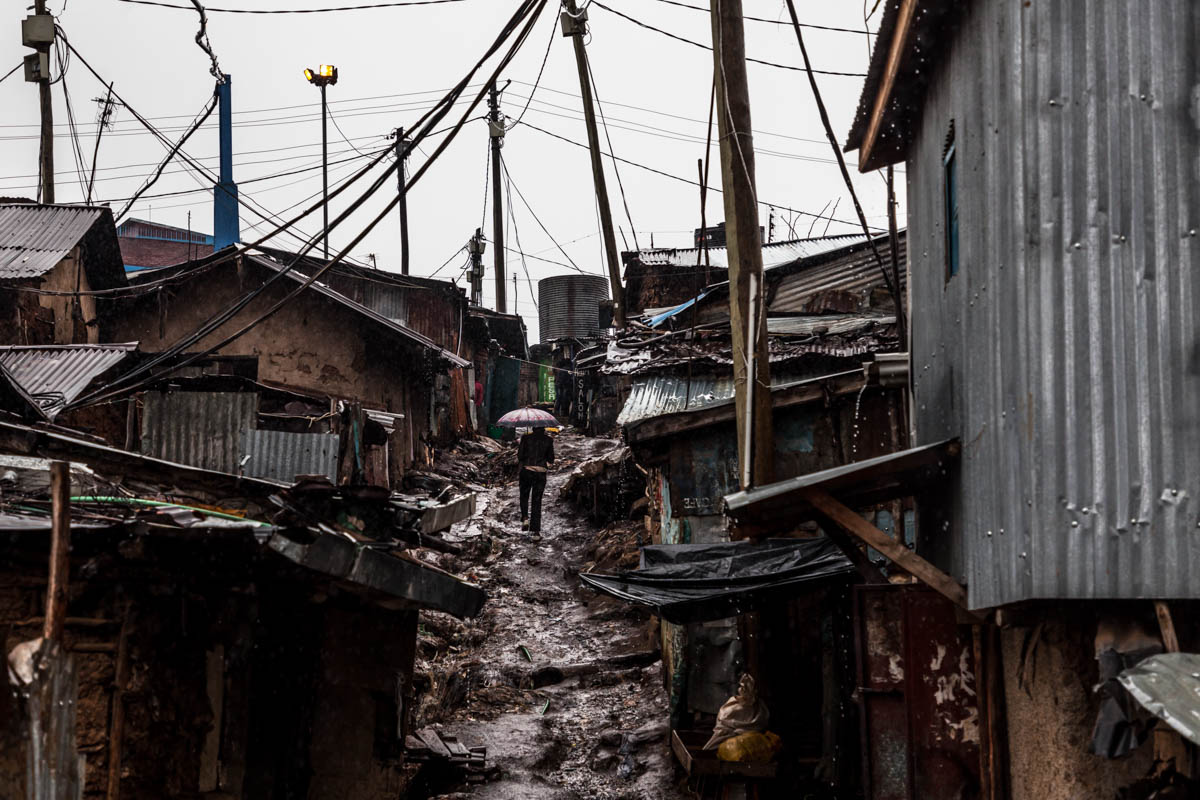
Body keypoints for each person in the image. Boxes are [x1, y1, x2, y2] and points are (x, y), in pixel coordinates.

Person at [517, 426, 554, 536]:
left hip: (527, 470)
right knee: (537, 501)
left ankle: (525, 518)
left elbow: (520, 456)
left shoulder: (525, 438)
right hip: (541, 472)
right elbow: (551, 459)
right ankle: (536, 532)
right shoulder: (548, 440)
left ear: (533, 428)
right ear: (544, 428)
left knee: (524, 495)